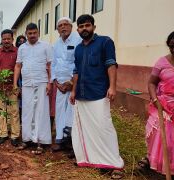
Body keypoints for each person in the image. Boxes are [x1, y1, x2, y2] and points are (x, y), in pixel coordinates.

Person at [69, 14, 124, 179]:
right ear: (77, 29)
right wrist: (73, 91)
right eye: (81, 26)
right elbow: (76, 71)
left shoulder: (105, 42)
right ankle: (91, 159)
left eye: (87, 25)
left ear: (93, 27)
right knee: (83, 130)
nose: (84, 29)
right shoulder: (78, 48)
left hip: (99, 92)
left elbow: (111, 65)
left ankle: (115, 164)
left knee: (104, 127)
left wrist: (112, 87)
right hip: (81, 95)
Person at [138, 31, 174, 175]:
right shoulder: (162, 62)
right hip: (163, 104)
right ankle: (158, 167)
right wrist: (155, 100)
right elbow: (152, 83)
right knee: (161, 135)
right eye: (172, 46)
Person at [13, 23, 53, 154]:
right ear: (26, 34)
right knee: (27, 111)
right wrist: (15, 84)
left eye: (34, 33)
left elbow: (49, 65)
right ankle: (27, 139)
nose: (32, 35)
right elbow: (18, 66)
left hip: (42, 82)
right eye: (29, 33)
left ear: (38, 33)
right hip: (27, 83)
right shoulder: (22, 48)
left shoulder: (46, 46)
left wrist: (50, 83)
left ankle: (40, 140)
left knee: (41, 111)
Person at [50, 17, 82, 152]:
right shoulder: (56, 44)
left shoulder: (78, 41)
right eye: (60, 26)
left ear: (71, 26)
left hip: (73, 84)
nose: (63, 27)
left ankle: (71, 141)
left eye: (65, 25)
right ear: (57, 29)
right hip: (60, 85)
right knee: (60, 112)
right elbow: (53, 64)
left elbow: (79, 63)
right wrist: (56, 82)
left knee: (72, 112)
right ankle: (60, 139)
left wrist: (71, 83)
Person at [0, 29, 20, 146]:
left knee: (14, 112)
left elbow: (20, 69)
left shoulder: (18, 52)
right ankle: (3, 133)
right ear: (1, 40)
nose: (6, 41)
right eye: (4, 39)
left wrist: (18, 86)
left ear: (12, 39)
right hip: (0, 87)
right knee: (1, 111)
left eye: (8, 38)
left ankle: (15, 135)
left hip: (13, 87)